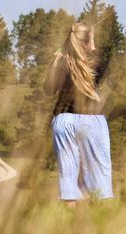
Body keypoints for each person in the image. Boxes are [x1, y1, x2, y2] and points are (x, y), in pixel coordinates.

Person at [42, 22, 113, 203]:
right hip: (92, 121)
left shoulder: (60, 63)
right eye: (92, 40)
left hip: (64, 121)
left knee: (68, 187)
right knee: (101, 186)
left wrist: (56, 59)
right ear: (87, 43)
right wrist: (92, 46)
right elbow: (105, 72)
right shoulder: (96, 63)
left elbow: (48, 89)